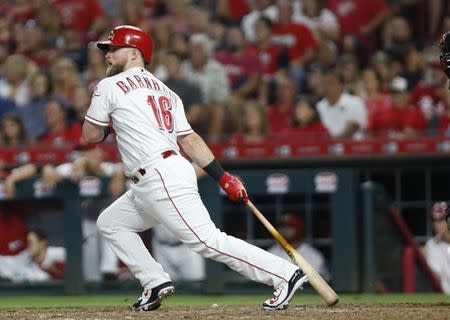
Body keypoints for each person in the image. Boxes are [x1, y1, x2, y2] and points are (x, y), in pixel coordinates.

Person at [82, 25, 307, 312]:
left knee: (207, 241)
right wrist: (222, 176)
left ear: (135, 53)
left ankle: (284, 274)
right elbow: (189, 139)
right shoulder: (167, 91)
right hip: (161, 173)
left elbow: (90, 135)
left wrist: (108, 120)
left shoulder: (109, 86)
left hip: (158, 174)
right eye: (107, 50)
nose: (108, 55)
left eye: (113, 49)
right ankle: (154, 281)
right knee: (111, 223)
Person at [268, 213, 329, 280]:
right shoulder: (270, 254)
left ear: (299, 228)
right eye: (282, 226)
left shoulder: (313, 256)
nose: (284, 230)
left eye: (290, 226)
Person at [424, 202, 450, 293]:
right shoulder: (432, 245)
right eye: (435, 221)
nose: (437, 225)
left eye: (441, 220)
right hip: (444, 299)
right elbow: (436, 276)